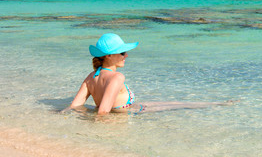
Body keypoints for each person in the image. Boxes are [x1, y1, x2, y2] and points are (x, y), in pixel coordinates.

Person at [64, 33, 233, 115]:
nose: (126, 55)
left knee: (175, 102)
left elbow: (75, 106)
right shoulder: (117, 77)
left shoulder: (91, 76)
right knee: (178, 105)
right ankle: (219, 104)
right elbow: (103, 112)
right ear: (108, 56)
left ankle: (218, 103)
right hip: (130, 113)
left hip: (130, 110)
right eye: (122, 53)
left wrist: (60, 116)